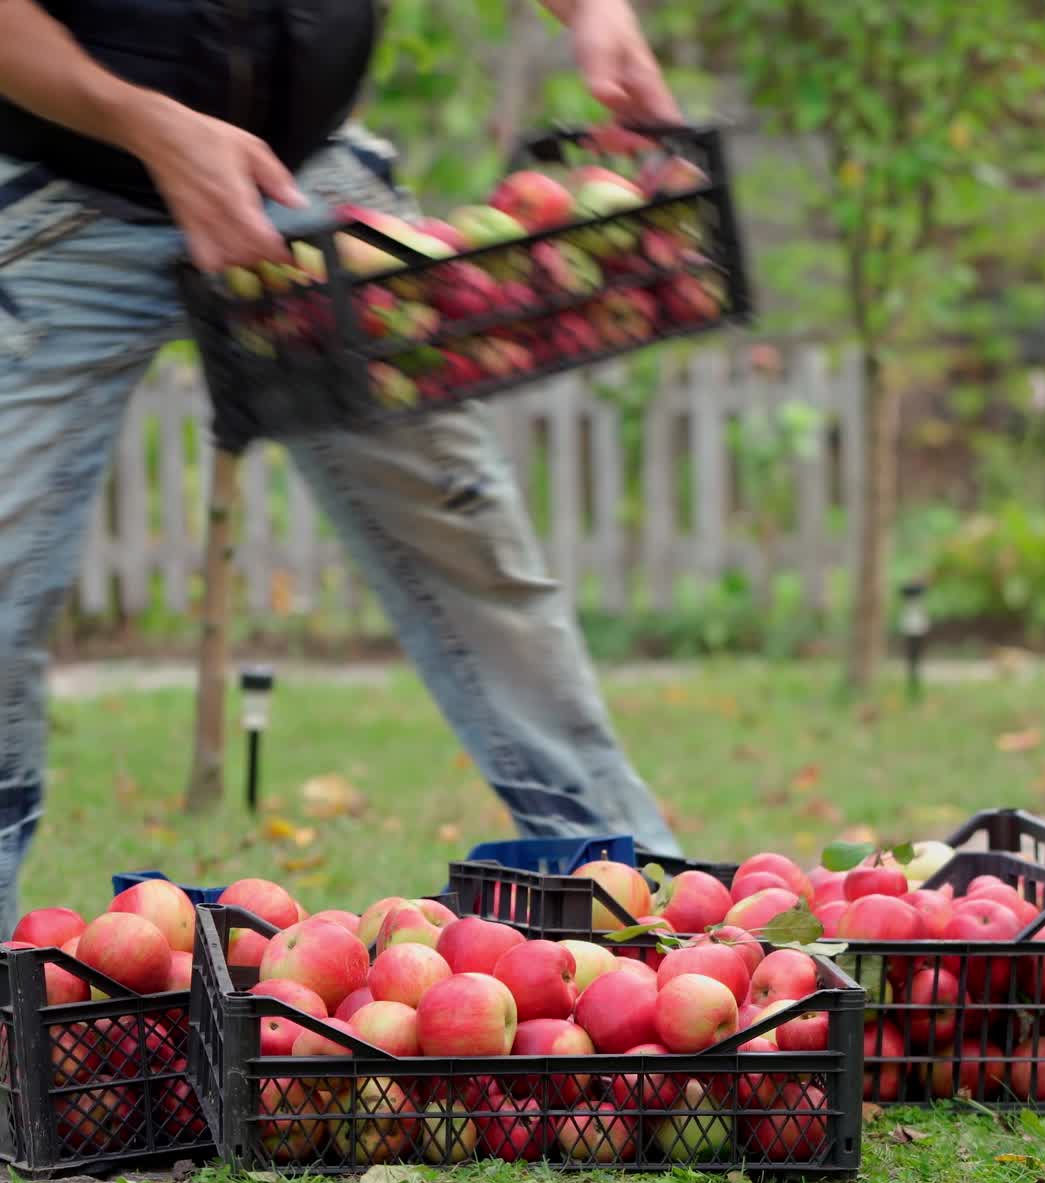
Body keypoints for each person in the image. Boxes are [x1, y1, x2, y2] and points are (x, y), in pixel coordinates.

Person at [0, 0, 684, 937]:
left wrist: (594, 9)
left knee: (468, 545)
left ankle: (639, 903)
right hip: (66, 192)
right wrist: (149, 123)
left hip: (302, 177)